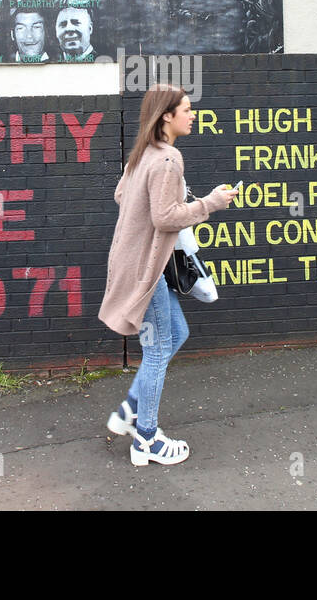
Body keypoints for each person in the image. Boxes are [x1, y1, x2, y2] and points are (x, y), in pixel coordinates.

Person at [100, 84, 237, 466]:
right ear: (166, 116)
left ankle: (130, 410)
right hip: (147, 268)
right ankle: (146, 439)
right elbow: (164, 217)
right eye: (187, 110)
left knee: (176, 333)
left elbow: (121, 196)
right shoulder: (168, 159)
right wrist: (210, 203)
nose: (193, 116)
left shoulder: (142, 155)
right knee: (159, 348)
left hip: (135, 262)